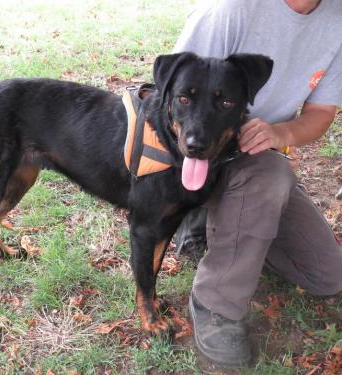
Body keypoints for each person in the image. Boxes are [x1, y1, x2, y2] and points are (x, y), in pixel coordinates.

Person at [172, 0, 342, 367]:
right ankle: (215, 303)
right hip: (198, 148)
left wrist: (279, 131)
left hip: (257, 152)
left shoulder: (337, 20)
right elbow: (172, 93)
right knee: (271, 177)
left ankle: (232, 224)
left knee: (326, 274)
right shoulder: (232, 10)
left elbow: (320, 114)